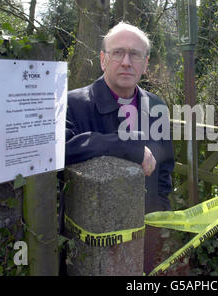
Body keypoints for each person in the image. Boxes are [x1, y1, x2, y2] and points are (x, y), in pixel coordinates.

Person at [65, 22, 175, 274]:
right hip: (90, 242)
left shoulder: (157, 107)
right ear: (103, 60)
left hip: (145, 234)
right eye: (118, 53)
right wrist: (127, 145)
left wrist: (162, 225)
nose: (126, 61)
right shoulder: (73, 104)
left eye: (135, 54)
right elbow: (61, 150)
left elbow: (165, 170)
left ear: (145, 64)